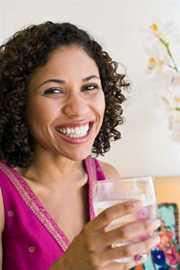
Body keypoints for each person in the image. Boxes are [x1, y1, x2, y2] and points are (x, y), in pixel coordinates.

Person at [0, 21, 160, 270]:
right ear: (18, 102)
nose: (77, 109)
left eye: (89, 87)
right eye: (53, 90)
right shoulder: (3, 194)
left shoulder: (108, 180)